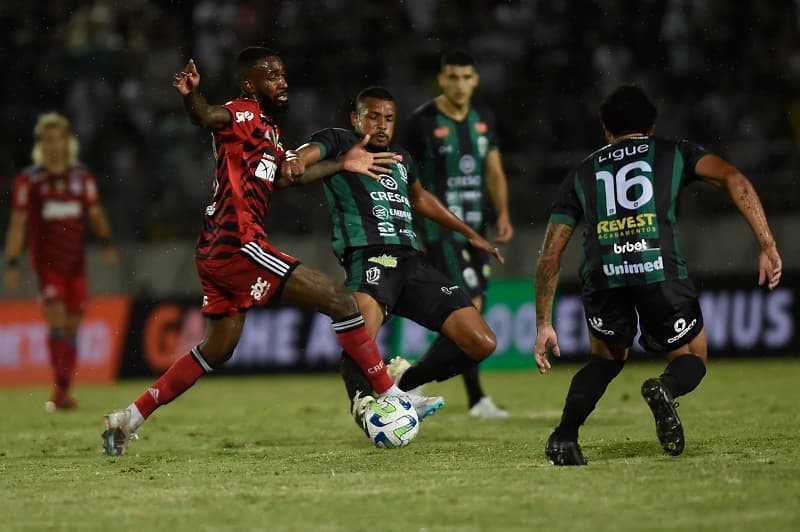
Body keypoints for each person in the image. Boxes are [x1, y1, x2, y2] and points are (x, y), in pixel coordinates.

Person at [101, 48, 434, 455]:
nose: (283, 82)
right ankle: (389, 394)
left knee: (217, 349)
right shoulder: (241, 112)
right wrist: (191, 96)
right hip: (237, 242)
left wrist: (343, 165)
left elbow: (286, 179)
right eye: (272, 75)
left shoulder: (270, 132)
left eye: (283, 74)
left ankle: (127, 419)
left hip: (217, 248)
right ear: (249, 84)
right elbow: (206, 117)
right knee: (341, 301)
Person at [534, 85, 783, 465]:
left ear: (605, 130)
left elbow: (550, 256)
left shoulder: (581, 171)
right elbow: (736, 179)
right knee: (692, 355)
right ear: (651, 126)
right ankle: (664, 387)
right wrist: (767, 245)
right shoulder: (673, 151)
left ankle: (564, 436)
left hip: (603, 275)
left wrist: (544, 323)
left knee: (605, 360)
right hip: (657, 268)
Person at [280, 86, 503, 426]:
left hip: (413, 263)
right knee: (360, 336)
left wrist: (469, 233)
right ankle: (362, 404)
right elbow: (309, 153)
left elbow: (421, 198)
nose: (381, 125)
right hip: (369, 258)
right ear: (356, 118)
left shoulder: (401, 157)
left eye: (388, 118)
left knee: (481, 342)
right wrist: (296, 159)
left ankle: (406, 383)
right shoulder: (341, 142)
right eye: (373, 117)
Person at [404, 49, 514, 418]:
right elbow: (407, 180)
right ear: (441, 79)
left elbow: (494, 169)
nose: (460, 84)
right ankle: (429, 386)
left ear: (476, 79)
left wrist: (502, 213)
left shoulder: (484, 117)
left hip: (476, 230)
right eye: (453, 76)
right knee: (467, 310)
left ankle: (420, 381)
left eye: (467, 76)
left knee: (470, 314)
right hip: (440, 232)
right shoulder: (422, 122)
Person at [4, 112, 116, 411]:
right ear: (42, 145)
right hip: (47, 267)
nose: (55, 145)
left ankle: (63, 389)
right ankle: (61, 390)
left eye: (60, 139)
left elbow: (95, 213)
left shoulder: (82, 178)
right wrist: (12, 261)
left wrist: (106, 243)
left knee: (72, 327)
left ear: (68, 143)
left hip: (76, 266)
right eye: (49, 140)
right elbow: (18, 222)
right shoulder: (30, 180)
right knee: (58, 320)